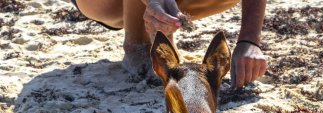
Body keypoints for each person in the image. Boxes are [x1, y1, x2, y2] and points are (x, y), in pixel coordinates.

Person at [71, 0, 267, 89]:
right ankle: (138, 45)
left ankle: (161, 25)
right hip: (103, 4)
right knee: (147, 54)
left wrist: (249, 41)